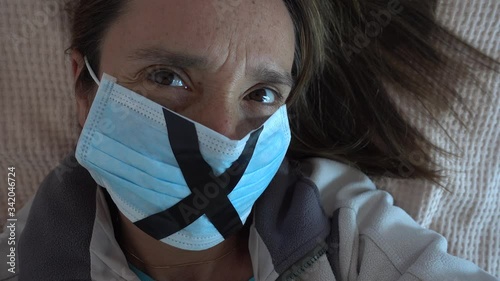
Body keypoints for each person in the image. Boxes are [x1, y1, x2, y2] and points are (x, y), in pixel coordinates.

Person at [1, 0, 498, 280]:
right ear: (84, 85)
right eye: (167, 77)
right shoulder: (19, 258)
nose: (221, 134)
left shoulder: (347, 233)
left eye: (260, 93)